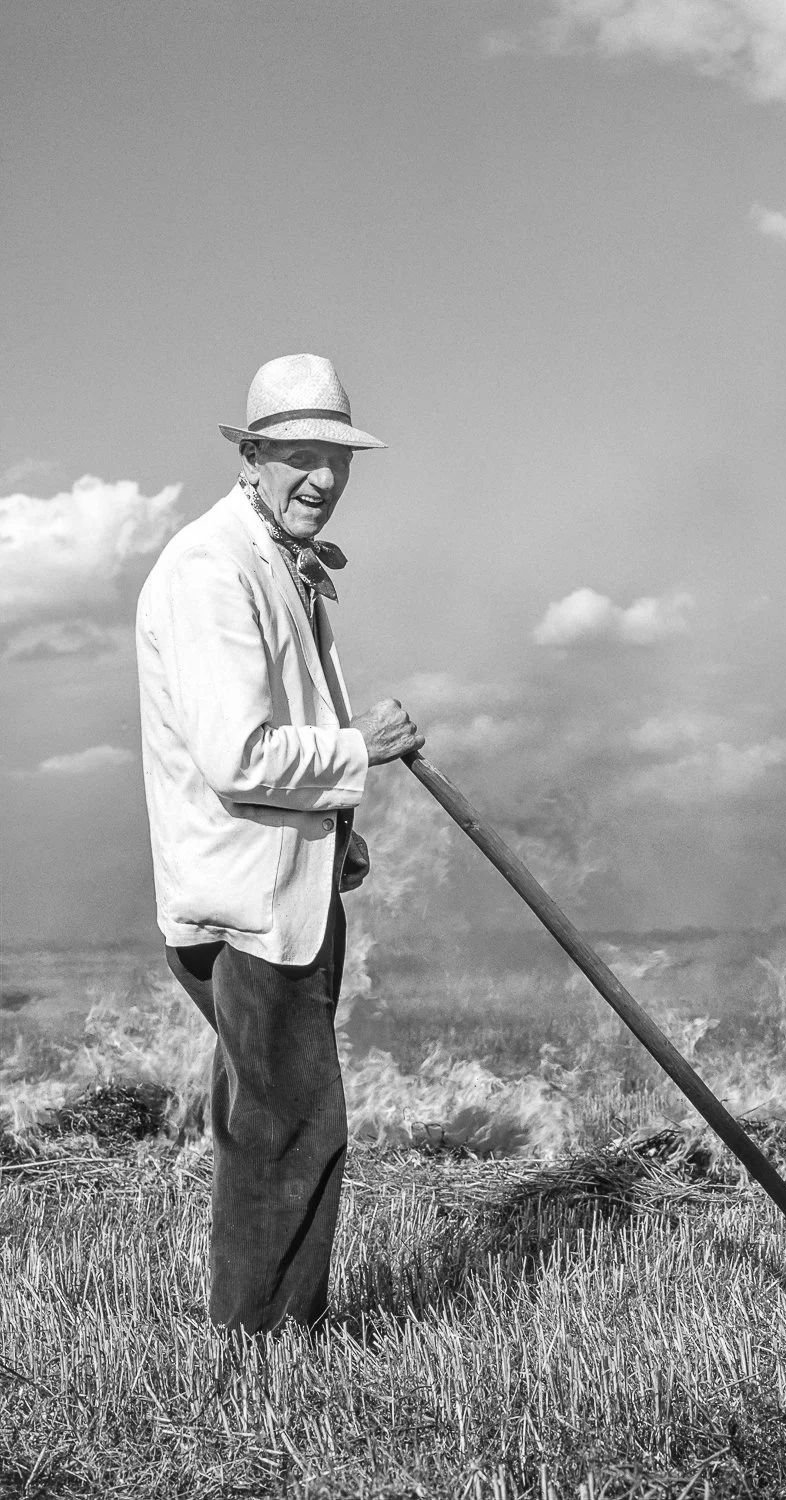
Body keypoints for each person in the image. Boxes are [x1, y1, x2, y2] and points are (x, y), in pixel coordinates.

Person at [135, 353, 424, 1334]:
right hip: (250, 906)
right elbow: (237, 753)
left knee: (271, 1123)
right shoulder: (214, 568)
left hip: (277, 885)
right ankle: (261, 1365)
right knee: (293, 1135)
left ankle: (259, 1352)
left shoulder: (267, 557)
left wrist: (334, 833)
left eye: (337, 459)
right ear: (252, 456)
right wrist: (362, 751)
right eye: (299, 456)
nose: (322, 479)